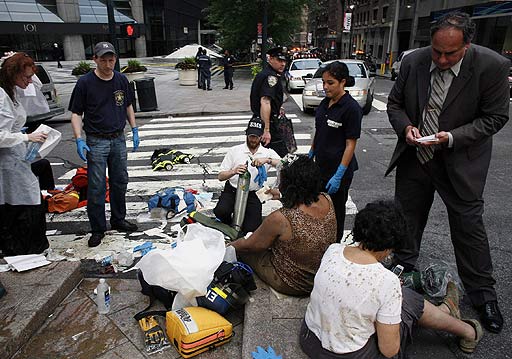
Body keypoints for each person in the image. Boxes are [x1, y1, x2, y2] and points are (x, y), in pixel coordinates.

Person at [386, 11, 508, 333]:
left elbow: (495, 117)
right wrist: (407, 127)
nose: (440, 59)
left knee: (469, 230)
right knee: (407, 219)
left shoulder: (492, 66)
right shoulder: (414, 62)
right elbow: (394, 105)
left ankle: (483, 296)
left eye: (449, 54)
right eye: (436, 51)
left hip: (460, 161)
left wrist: (453, 137)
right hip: (416, 157)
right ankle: (403, 269)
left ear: (467, 45)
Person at [300, 200, 483, 358]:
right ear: (390, 246)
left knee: (399, 298)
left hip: (310, 341)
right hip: (350, 355)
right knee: (408, 301)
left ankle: (446, 312)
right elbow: (389, 350)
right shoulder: (386, 281)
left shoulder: (334, 250)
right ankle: (468, 331)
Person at [230, 155, 337, 296]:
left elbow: (251, 245)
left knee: (245, 249)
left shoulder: (281, 218)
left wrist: (229, 246)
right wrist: (281, 195)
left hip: (293, 283)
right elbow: (302, 200)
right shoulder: (326, 198)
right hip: (319, 275)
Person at [69, 42, 140, 248]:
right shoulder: (85, 83)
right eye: (104, 60)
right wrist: (78, 138)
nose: (108, 64)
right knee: (97, 187)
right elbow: (76, 113)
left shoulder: (121, 79)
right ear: (95, 60)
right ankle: (98, 228)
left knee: (120, 181)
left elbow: (128, 105)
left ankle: (118, 219)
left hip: (118, 138)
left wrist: (134, 128)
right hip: (96, 140)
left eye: (111, 60)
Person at [0, 52, 49, 256]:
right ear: (13, 74)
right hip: (8, 160)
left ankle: (29, 246)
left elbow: (36, 87)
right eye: (25, 76)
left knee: (26, 198)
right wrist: (27, 138)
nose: (29, 81)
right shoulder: (2, 96)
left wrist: (21, 59)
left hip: (17, 156)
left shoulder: (12, 90)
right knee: (21, 202)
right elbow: (1, 135)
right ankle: (22, 247)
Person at [308, 61, 362, 241]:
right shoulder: (324, 104)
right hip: (321, 167)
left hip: (338, 170)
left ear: (343, 82)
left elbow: (350, 144)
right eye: (323, 82)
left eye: (330, 83)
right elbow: (319, 131)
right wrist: (312, 152)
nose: (325, 87)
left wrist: (339, 174)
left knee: (336, 213)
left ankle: (335, 247)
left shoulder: (351, 108)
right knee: (319, 209)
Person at [213, 117, 280, 234]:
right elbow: (220, 176)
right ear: (246, 135)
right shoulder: (235, 151)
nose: (253, 140)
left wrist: (268, 160)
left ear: (261, 137)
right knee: (221, 211)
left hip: (253, 194)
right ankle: (229, 227)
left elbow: (284, 164)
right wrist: (233, 171)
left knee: (252, 228)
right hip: (233, 190)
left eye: (256, 137)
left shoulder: (267, 152)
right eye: (251, 136)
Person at [250, 46, 288, 157]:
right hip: (268, 123)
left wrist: (277, 107)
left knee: (259, 156)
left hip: (259, 120)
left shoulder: (265, 73)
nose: (283, 64)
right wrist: (266, 130)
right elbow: (265, 101)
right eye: (279, 60)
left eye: (284, 61)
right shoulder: (271, 77)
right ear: (270, 59)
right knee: (284, 161)